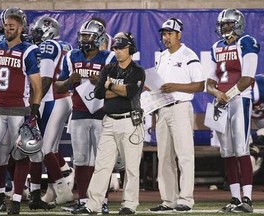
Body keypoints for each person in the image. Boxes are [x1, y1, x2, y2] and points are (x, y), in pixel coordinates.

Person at [0, 13, 42, 215]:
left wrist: (35, 107)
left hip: (18, 111)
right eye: (6, 26)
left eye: (12, 26)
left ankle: (15, 200)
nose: (8, 29)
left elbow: (36, 85)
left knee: (22, 155)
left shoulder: (29, 50)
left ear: (21, 28)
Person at [73, 32, 145, 215]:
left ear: (131, 50)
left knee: (131, 167)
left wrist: (110, 86)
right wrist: (115, 89)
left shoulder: (137, 71)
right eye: (115, 48)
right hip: (109, 121)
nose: (118, 51)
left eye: (122, 48)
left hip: (130, 122)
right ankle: (93, 204)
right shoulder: (108, 69)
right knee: (102, 165)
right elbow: (98, 93)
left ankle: (129, 204)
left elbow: (130, 92)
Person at [55, 20, 116, 214]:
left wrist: (102, 82)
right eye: (82, 36)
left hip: (101, 114)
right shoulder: (72, 56)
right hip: (80, 112)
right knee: (80, 160)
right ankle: (83, 200)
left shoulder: (109, 58)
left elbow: (118, 84)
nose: (84, 39)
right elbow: (58, 85)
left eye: (88, 36)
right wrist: (67, 82)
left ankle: (102, 201)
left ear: (98, 37)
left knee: (101, 161)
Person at [206, 8, 259, 213]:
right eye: (223, 24)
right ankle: (235, 198)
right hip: (222, 101)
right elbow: (210, 82)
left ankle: (247, 198)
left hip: (239, 100)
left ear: (237, 24)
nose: (224, 27)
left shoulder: (246, 42)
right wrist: (216, 93)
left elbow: (247, 78)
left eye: (228, 24)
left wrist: (228, 94)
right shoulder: (216, 47)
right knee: (226, 151)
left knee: (241, 148)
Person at [149, 18, 205, 213]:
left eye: (170, 34)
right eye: (164, 34)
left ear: (179, 35)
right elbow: (158, 87)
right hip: (162, 109)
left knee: (184, 156)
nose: (166, 37)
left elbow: (200, 84)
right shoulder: (162, 56)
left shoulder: (189, 55)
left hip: (181, 107)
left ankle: (186, 199)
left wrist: (176, 86)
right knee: (164, 157)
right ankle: (168, 200)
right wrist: (154, 114)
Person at [28, 15, 73, 209]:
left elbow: (46, 79)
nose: (34, 35)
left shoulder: (48, 46)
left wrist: (34, 102)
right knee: (51, 149)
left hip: (52, 99)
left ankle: (63, 190)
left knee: (45, 149)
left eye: (38, 31)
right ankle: (53, 191)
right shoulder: (62, 45)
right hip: (60, 99)